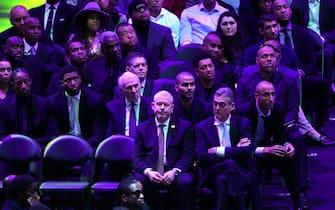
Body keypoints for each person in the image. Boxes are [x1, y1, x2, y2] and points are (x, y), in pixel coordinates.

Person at [235, 80, 308, 210]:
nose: (271, 99)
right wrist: (265, 150)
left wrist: (286, 144)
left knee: (287, 160)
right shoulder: (243, 112)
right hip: (247, 154)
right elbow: (242, 143)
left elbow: (280, 133)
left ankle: (297, 202)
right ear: (257, 96)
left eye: (273, 94)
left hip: (267, 150)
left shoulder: (278, 109)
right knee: (252, 167)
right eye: (266, 95)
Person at [195, 86, 260, 210]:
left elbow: (246, 152)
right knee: (230, 164)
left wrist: (219, 151)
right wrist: (235, 150)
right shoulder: (201, 127)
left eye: (222, 105)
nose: (217, 108)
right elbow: (202, 157)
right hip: (212, 172)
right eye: (215, 104)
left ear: (232, 106)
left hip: (239, 172)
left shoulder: (243, 123)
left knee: (223, 180)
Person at [134, 90, 194, 210]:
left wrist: (174, 171)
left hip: (174, 171)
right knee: (136, 183)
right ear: (153, 106)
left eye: (165, 105)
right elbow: (137, 157)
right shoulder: (142, 128)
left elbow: (188, 155)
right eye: (159, 104)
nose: (162, 108)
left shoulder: (184, 127)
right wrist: (148, 171)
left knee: (186, 182)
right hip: (151, 171)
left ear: (172, 108)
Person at [47, 65, 106, 148]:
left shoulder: (95, 100)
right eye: (68, 80)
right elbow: (53, 133)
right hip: (64, 146)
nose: (73, 83)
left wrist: (82, 147)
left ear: (80, 79)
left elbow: (98, 134)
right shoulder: (53, 102)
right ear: (62, 83)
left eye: (75, 79)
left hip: (88, 145)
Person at [47, 39, 114, 101]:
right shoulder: (57, 79)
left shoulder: (101, 78)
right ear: (67, 57)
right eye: (75, 50)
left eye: (82, 49)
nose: (80, 52)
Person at [0, 69, 51, 146]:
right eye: (19, 83)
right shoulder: (4, 106)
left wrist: (30, 144)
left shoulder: (43, 103)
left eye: (26, 82)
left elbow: (49, 133)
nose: (23, 86)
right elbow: (2, 134)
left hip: (38, 147)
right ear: (13, 85)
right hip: (12, 147)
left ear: (31, 81)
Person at [128, 0, 176, 64]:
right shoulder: (127, 33)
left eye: (145, 8)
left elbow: (170, 58)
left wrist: (153, 70)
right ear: (131, 15)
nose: (142, 11)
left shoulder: (164, 32)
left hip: (159, 70)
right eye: (138, 9)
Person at [106, 71, 152, 137]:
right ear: (122, 91)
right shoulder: (112, 108)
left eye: (136, 86)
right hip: (122, 144)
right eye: (129, 87)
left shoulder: (151, 106)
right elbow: (109, 136)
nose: (133, 90)